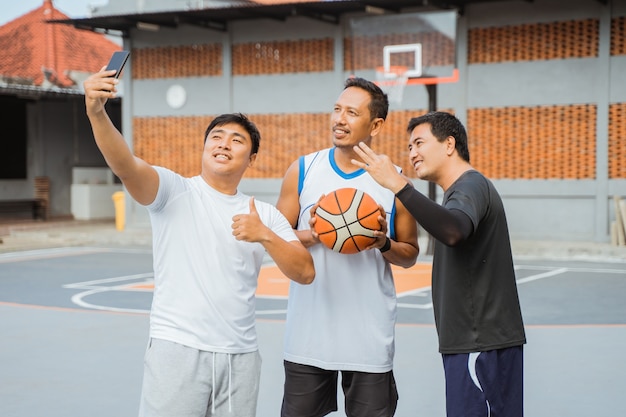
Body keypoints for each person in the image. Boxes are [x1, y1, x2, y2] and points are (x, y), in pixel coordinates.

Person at [83, 67, 315, 417]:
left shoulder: (263, 214)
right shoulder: (174, 191)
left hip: (240, 355)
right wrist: (96, 112)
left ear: (251, 159)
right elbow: (126, 165)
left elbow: (305, 272)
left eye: (237, 140)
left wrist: (264, 235)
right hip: (178, 349)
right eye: (217, 136)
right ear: (205, 146)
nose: (224, 143)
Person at [352, 111, 526, 417]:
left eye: (419, 142)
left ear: (449, 144)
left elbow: (453, 231)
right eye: (409, 147)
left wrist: (400, 186)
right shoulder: (460, 192)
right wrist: (385, 243)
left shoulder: (469, 186)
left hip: (479, 345)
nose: (412, 153)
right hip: (479, 344)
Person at [276, 77, 419, 417]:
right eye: (337, 109)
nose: (339, 119)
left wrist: (382, 243)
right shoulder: (304, 169)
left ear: (376, 124)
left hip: (368, 338)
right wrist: (313, 234)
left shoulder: (394, 180)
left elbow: (410, 254)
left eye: (351, 112)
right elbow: (275, 234)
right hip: (308, 335)